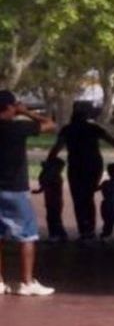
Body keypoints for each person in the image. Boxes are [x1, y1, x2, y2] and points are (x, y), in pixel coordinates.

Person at [0, 90, 56, 296]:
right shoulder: (18, 128)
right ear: (9, 108)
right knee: (27, 235)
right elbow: (50, 125)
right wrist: (27, 112)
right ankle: (27, 282)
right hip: (15, 189)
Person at [47, 106, 114, 239]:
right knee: (88, 196)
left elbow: (57, 147)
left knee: (78, 198)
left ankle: (84, 229)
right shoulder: (93, 128)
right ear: (86, 117)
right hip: (93, 165)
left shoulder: (68, 129)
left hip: (76, 166)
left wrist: (49, 163)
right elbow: (113, 141)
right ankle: (89, 229)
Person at [32, 157, 68, 241]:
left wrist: (45, 169)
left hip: (54, 201)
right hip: (51, 201)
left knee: (53, 217)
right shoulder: (54, 176)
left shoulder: (56, 177)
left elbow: (45, 182)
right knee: (53, 217)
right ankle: (59, 234)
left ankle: (56, 234)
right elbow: (44, 184)